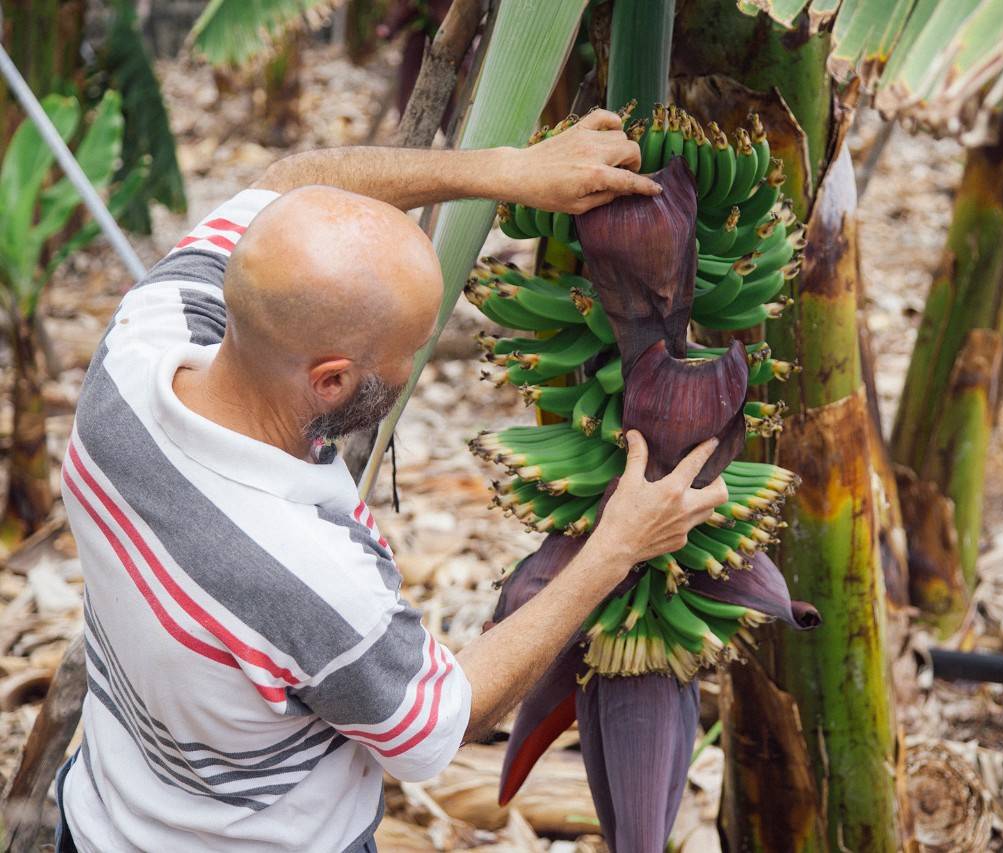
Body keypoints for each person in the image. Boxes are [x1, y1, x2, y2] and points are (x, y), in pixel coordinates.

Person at [54, 109, 729, 852]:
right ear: (334, 380)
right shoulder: (306, 576)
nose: (416, 362)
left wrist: (504, 170)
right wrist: (617, 546)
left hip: (98, 819)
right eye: (413, 347)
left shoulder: (139, 342)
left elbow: (286, 183)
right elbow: (442, 722)